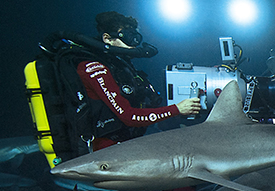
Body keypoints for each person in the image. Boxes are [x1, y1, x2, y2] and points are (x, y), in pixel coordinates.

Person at [79, 11, 200, 151]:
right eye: (127, 37)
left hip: (127, 144)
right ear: (107, 38)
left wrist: (174, 115)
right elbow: (128, 116)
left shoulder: (121, 67)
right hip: (106, 152)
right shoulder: (94, 69)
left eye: (136, 38)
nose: (134, 44)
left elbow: (143, 108)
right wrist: (176, 109)